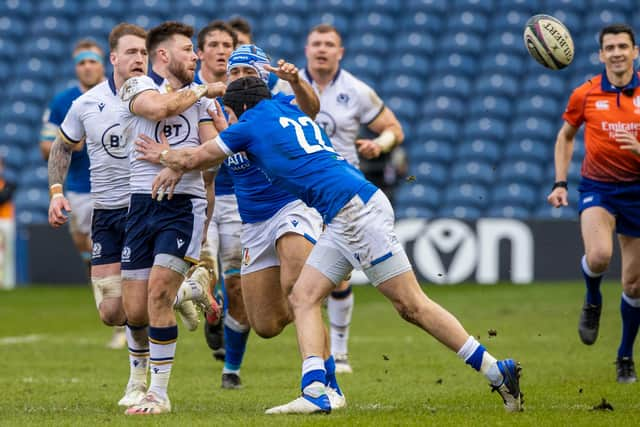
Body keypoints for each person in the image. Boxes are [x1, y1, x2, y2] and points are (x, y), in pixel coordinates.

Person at [136, 76, 523, 415]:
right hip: (343, 213)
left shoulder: (249, 124)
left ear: (236, 108)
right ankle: (316, 390)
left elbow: (197, 156)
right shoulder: (290, 112)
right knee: (304, 297)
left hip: (354, 213)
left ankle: (494, 369)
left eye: (230, 112)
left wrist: (162, 156)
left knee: (412, 306)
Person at [46, 23, 210, 408]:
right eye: (131, 52)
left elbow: (200, 144)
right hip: (108, 213)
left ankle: (139, 381)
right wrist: (56, 191)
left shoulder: (165, 96)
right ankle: (181, 294)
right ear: (113, 59)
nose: (139, 58)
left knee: (148, 301)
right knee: (115, 311)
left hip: (150, 204)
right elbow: (62, 147)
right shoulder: (87, 103)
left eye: (143, 52)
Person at [117, 21, 224, 415]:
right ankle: (190, 292)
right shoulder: (137, 87)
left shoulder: (203, 102)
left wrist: (176, 162)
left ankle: (157, 393)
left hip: (183, 206)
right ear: (163, 55)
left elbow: (221, 147)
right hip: (141, 205)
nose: (196, 55)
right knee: (136, 310)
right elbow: (161, 109)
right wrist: (203, 89)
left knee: (159, 293)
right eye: (188, 49)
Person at [297, 23, 406, 373]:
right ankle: (320, 351)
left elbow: (394, 129)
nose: (322, 49)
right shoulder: (286, 85)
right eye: (317, 43)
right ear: (306, 49)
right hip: (298, 192)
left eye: (329, 44)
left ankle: (339, 351)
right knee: (306, 275)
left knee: (338, 275)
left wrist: (380, 145)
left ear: (340, 52)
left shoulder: (356, 91)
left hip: (342, 192)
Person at [547, 23, 640, 384]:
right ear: (601, 55)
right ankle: (592, 298)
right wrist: (560, 183)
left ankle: (624, 356)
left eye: (622, 46)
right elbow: (566, 136)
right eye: (609, 47)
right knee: (600, 256)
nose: (616, 52)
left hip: (637, 191)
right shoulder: (585, 93)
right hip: (598, 187)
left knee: (634, 286)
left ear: (635, 52)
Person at [39, 39, 127, 349]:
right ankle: (116, 316)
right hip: (79, 187)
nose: (87, 66)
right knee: (91, 251)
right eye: (81, 62)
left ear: (103, 63)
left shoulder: (119, 92)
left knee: (120, 252)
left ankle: (126, 320)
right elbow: (47, 146)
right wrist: (72, 143)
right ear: (76, 67)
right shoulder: (66, 101)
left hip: (120, 188)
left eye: (92, 61)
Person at [194, 20, 242, 370]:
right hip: (201, 196)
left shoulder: (247, 91)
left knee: (238, 285)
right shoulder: (191, 92)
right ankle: (213, 315)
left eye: (228, 44)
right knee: (206, 274)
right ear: (200, 53)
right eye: (214, 44)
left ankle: (232, 354)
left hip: (241, 199)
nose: (222, 50)